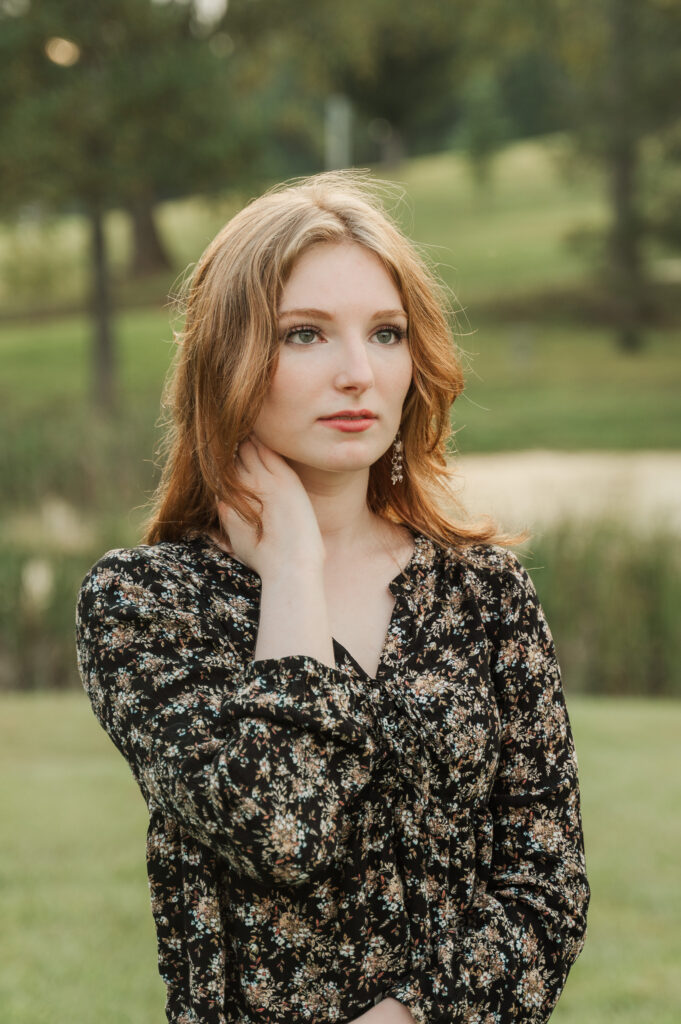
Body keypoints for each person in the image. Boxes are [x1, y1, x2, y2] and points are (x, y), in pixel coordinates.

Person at [75, 170, 590, 1024]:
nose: (357, 372)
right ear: (227, 358)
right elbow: (281, 826)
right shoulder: (145, 605)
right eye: (305, 335)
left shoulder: (482, 593)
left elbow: (545, 884)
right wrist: (291, 572)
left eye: (385, 334)